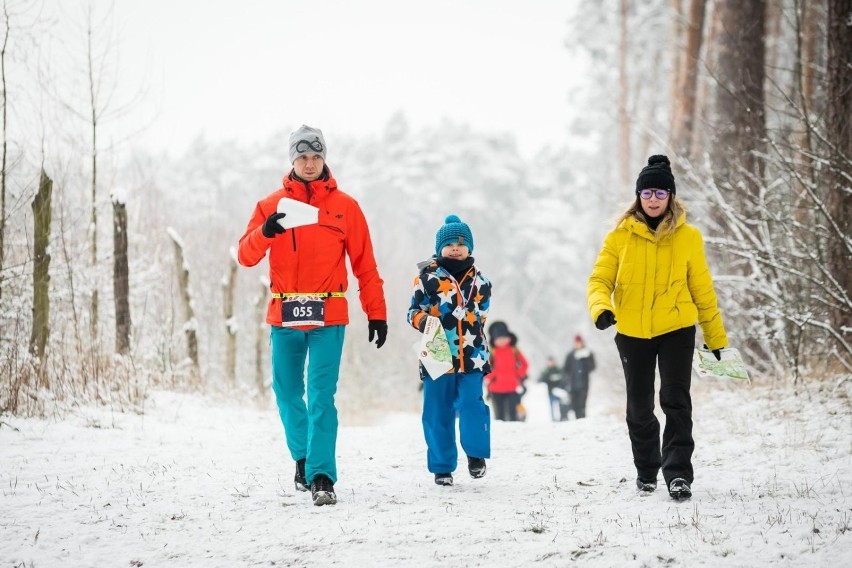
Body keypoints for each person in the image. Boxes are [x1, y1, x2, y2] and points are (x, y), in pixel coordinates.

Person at [238, 125, 387, 507]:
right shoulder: (270, 204)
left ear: (325, 159)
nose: (309, 163)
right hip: (285, 314)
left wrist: (376, 313)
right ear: (292, 159)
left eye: (316, 156)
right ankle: (303, 458)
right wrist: (266, 232)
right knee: (287, 392)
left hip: (328, 313)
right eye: (302, 156)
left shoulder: (346, 207)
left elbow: (365, 265)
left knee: (322, 395)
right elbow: (245, 255)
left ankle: (322, 475)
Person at [587, 154, 727, 501]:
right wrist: (601, 308)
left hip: (677, 329)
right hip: (633, 332)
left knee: (675, 400)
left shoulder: (689, 237)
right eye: (647, 193)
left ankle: (678, 473)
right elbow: (599, 279)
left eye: (660, 194)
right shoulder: (619, 236)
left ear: (671, 197)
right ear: (638, 196)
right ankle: (647, 470)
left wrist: (715, 336)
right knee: (639, 405)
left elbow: (702, 290)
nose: (653, 199)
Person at [407, 215, 492, 486]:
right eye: (450, 244)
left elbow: (483, 315)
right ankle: (442, 467)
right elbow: (412, 312)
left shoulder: (481, 282)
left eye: (461, 243)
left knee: (471, 405)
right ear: (439, 247)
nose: (456, 248)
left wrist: (473, 336)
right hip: (437, 355)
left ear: (470, 248)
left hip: (472, 355)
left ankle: (476, 455)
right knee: (437, 410)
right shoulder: (426, 278)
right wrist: (427, 323)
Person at [486, 327, 529, 422]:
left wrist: (517, 375)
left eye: (503, 338)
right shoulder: (492, 352)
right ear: (495, 340)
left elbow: (525, 364)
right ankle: (502, 433)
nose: (501, 341)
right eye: (499, 339)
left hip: (512, 388)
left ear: (508, 339)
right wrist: (494, 375)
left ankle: (514, 433)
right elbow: (485, 369)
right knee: (499, 416)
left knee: (513, 414)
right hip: (496, 389)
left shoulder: (514, 350)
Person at [562, 334, 596, 419]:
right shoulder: (570, 355)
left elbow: (592, 367)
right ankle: (578, 418)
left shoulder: (587, 353)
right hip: (573, 383)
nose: (578, 344)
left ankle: (583, 418)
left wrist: (585, 361)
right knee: (575, 403)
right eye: (576, 342)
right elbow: (565, 369)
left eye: (579, 342)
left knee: (582, 402)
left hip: (584, 383)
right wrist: (566, 381)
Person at [538, 356, 569, 422]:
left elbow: (564, 378)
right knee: (552, 407)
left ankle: (562, 417)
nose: (550, 363)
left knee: (561, 405)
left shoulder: (558, 369)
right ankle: (553, 419)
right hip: (550, 392)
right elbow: (540, 379)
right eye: (549, 362)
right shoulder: (546, 370)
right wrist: (548, 378)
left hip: (558, 391)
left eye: (551, 362)